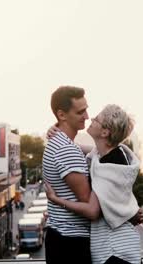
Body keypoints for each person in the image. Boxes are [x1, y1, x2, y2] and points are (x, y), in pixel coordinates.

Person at [45, 104, 142, 264]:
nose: (91, 119)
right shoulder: (108, 153)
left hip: (116, 252)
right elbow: (73, 148)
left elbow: (92, 211)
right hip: (119, 249)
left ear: (105, 132)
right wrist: (56, 132)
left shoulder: (111, 166)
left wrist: (56, 201)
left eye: (97, 119)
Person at [42, 86, 93, 263]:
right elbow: (88, 204)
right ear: (62, 115)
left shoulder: (58, 143)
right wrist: (129, 213)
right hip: (72, 243)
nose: (87, 116)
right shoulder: (66, 150)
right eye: (81, 112)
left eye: (86, 109)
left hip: (61, 238)